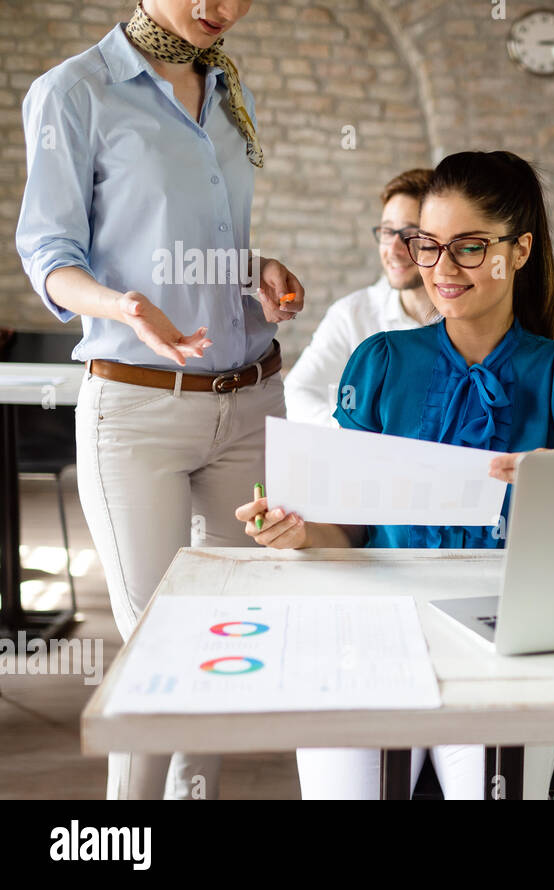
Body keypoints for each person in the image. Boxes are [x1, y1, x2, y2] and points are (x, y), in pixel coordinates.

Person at [235, 150, 554, 799]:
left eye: (469, 248)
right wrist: (302, 534)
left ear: (519, 250)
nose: (442, 269)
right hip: (376, 627)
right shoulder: (380, 360)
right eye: (428, 246)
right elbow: (349, 532)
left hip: (506, 632)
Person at [15, 0, 304, 800]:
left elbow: (202, 247)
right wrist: (121, 305)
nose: (221, 9)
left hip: (250, 403)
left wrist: (258, 272)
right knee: (158, 641)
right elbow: (48, 253)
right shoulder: (76, 91)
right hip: (137, 412)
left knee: (223, 638)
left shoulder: (222, 87)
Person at [284, 169, 441, 426]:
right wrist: (356, 434)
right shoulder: (352, 314)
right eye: (388, 232)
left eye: (410, 234)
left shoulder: (467, 316)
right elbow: (297, 392)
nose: (393, 249)